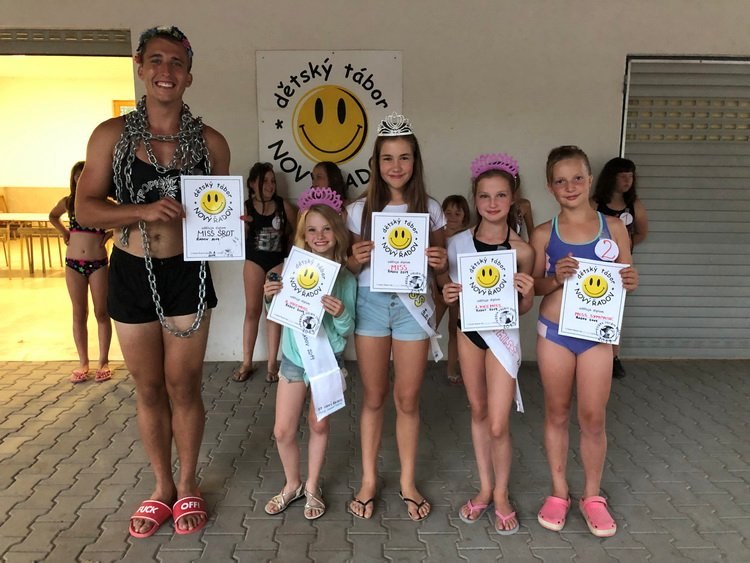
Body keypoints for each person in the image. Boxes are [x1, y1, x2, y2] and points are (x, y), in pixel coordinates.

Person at [75, 25, 230, 538]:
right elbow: (85, 207)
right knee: (147, 387)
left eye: (177, 62)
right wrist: (141, 210)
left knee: (183, 385)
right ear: (140, 67)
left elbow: (217, 214)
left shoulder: (211, 143)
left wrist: (231, 224)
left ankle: (187, 484)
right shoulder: (111, 135)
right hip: (130, 271)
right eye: (157, 60)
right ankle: (161, 486)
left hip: (187, 273)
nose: (167, 70)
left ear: (189, 75)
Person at [530, 146, 638, 538]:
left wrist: (631, 280)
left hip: (596, 337)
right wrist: (554, 277)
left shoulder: (614, 228)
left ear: (590, 179)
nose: (570, 186)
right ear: (550, 187)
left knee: (593, 417)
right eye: (560, 181)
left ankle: (592, 496)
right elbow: (534, 286)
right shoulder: (544, 233)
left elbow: (626, 277)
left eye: (577, 178)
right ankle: (559, 491)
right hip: (555, 333)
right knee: (557, 413)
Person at [346, 113, 447, 521]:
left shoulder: (432, 209)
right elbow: (346, 269)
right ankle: (369, 479)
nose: (396, 166)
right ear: (376, 163)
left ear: (415, 162)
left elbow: (442, 269)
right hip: (371, 303)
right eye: (388, 158)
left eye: (404, 157)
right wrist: (354, 259)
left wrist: (440, 262)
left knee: (407, 398)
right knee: (374, 397)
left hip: (411, 307)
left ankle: (407, 481)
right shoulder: (358, 211)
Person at [441, 153, 535, 534]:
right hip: (469, 334)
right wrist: (447, 293)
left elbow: (523, 308)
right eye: (484, 196)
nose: (492, 203)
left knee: (498, 423)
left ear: (513, 199)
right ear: (475, 199)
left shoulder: (523, 251)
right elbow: (451, 292)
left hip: (502, 339)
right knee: (478, 411)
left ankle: (501, 493)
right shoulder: (457, 244)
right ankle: (484, 487)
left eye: (500, 195)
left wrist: (527, 293)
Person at [262, 186, 355, 520]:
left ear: (337, 232)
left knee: (318, 425)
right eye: (312, 229)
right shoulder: (290, 269)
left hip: (327, 361)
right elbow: (277, 313)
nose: (319, 235)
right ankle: (293, 484)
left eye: (326, 228)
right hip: (293, 359)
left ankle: (313, 486)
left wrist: (340, 312)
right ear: (303, 234)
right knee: (282, 430)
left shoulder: (345, 279)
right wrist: (270, 296)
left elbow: (346, 328)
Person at [49, 160, 113, 384]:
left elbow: (124, 220)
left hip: (98, 263)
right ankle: (83, 363)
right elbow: (52, 216)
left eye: (85, 174)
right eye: (77, 176)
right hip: (73, 264)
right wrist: (64, 232)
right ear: (73, 179)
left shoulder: (104, 203)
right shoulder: (69, 203)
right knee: (79, 313)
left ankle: (103, 362)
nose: (81, 179)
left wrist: (111, 233)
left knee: (101, 312)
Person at [235, 162, 296, 383]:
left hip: (276, 263)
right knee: (252, 311)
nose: (270, 185)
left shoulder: (283, 205)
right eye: (265, 181)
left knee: (273, 313)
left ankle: (272, 364)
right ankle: (247, 363)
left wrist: (293, 257)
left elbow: (298, 229)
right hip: (253, 262)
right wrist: (244, 225)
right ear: (252, 184)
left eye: (273, 181)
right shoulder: (245, 207)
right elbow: (234, 237)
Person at [591, 157, 648, 379]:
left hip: (620, 269)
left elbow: (641, 232)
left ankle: (613, 358)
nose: (627, 180)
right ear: (610, 178)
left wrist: (625, 246)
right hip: (596, 268)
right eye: (622, 176)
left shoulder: (634, 205)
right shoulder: (596, 204)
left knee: (615, 314)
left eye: (631, 176)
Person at [433, 194, 470, 384]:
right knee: (428, 328)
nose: (453, 217)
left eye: (458, 213)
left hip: (459, 291)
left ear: (465, 215)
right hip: (438, 290)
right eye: (448, 213)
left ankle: (451, 370)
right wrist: (435, 291)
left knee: (455, 330)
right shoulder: (437, 236)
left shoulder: (469, 237)